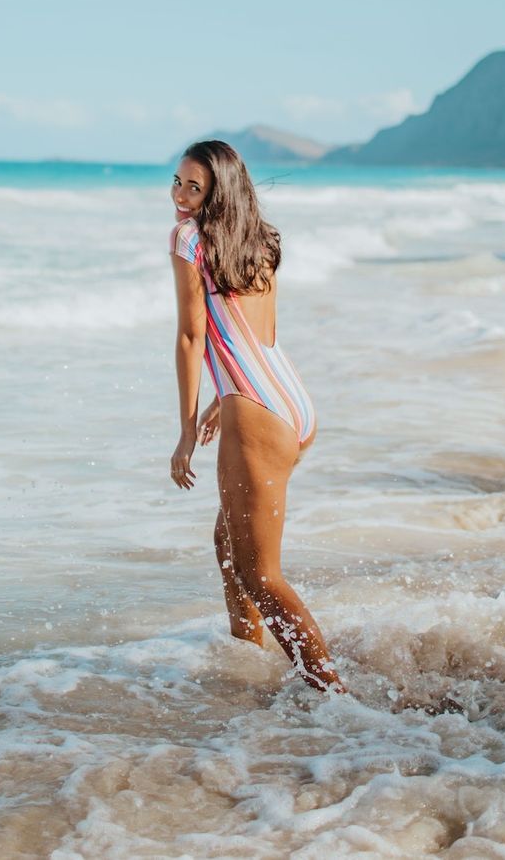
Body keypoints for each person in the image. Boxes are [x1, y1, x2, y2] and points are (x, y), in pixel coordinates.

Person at [168, 140, 345, 694]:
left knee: (261, 574)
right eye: (176, 182)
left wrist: (186, 431)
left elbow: (192, 335)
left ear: (218, 192)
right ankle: (248, 657)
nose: (179, 196)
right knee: (229, 543)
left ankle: (334, 697)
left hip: (256, 408)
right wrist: (228, 398)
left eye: (193, 187)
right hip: (288, 395)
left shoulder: (189, 238)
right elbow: (257, 332)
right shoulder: (259, 240)